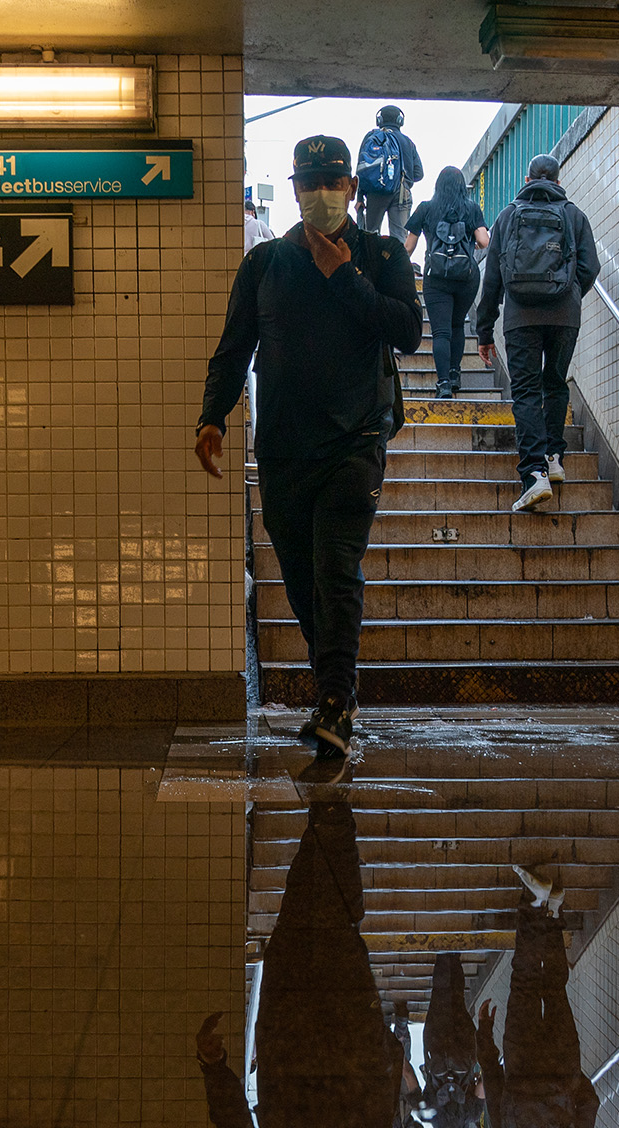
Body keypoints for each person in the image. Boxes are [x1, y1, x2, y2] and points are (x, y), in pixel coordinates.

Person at [196, 136, 423, 758]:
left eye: (331, 180)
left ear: (351, 187)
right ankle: (337, 688)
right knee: (299, 579)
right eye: (308, 182)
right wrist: (212, 416)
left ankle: (333, 702)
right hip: (284, 446)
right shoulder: (264, 263)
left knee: (334, 569)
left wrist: (343, 276)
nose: (320, 193)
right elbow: (235, 344)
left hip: (357, 439)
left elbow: (407, 331)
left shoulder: (379, 254)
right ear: (294, 189)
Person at [196, 793, 423, 1128]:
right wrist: (214, 1067)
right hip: (290, 1040)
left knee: (341, 925)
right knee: (302, 922)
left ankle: (331, 803)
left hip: (357, 1049)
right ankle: (328, 805)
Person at [475, 154, 600, 514]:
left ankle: (533, 473)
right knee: (556, 382)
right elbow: (590, 266)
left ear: (526, 178)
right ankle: (554, 455)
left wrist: (484, 330)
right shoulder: (574, 215)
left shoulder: (508, 215)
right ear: (558, 181)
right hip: (564, 315)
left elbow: (493, 279)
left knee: (527, 391)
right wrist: (569, 293)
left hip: (520, 316)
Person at [475, 864, 598, 1128]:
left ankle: (554, 910)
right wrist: (484, 1034)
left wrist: (570, 1078)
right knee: (526, 983)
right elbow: (494, 1083)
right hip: (522, 1057)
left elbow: (590, 1102)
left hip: (562, 1058)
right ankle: (534, 902)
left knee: (555, 988)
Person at [404, 167, 492, 399]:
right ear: (462, 187)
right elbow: (483, 241)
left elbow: (408, 248)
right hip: (466, 278)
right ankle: (455, 374)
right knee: (456, 326)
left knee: (441, 332)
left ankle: (443, 384)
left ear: (438, 186)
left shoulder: (426, 208)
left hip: (436, 278)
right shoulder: (472, 208)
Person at [419, 953, 482, 1128]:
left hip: (463, 1051)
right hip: (435, 1048)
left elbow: (482, 1087)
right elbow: (410, 1081)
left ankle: (454, 956)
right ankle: (442, 955)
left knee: (457, 998)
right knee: (439, 996)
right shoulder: (430, 1113)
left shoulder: (471, 1115)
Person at [355, 105, 424, 243]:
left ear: (379, 120)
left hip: (375, 192)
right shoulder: (408, 142)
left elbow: (362, 170)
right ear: (400, 121)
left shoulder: (372, 138)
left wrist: (360, 198)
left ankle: (371, 264)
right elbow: (419, 174)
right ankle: (397, 264)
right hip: (401, 192)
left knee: (370, 235)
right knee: (399, 238)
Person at [245, 189, 275, 255]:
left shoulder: (235, 225)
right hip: (254, 260)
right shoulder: (259, 224)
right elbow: (273, 243)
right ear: (253, 212)